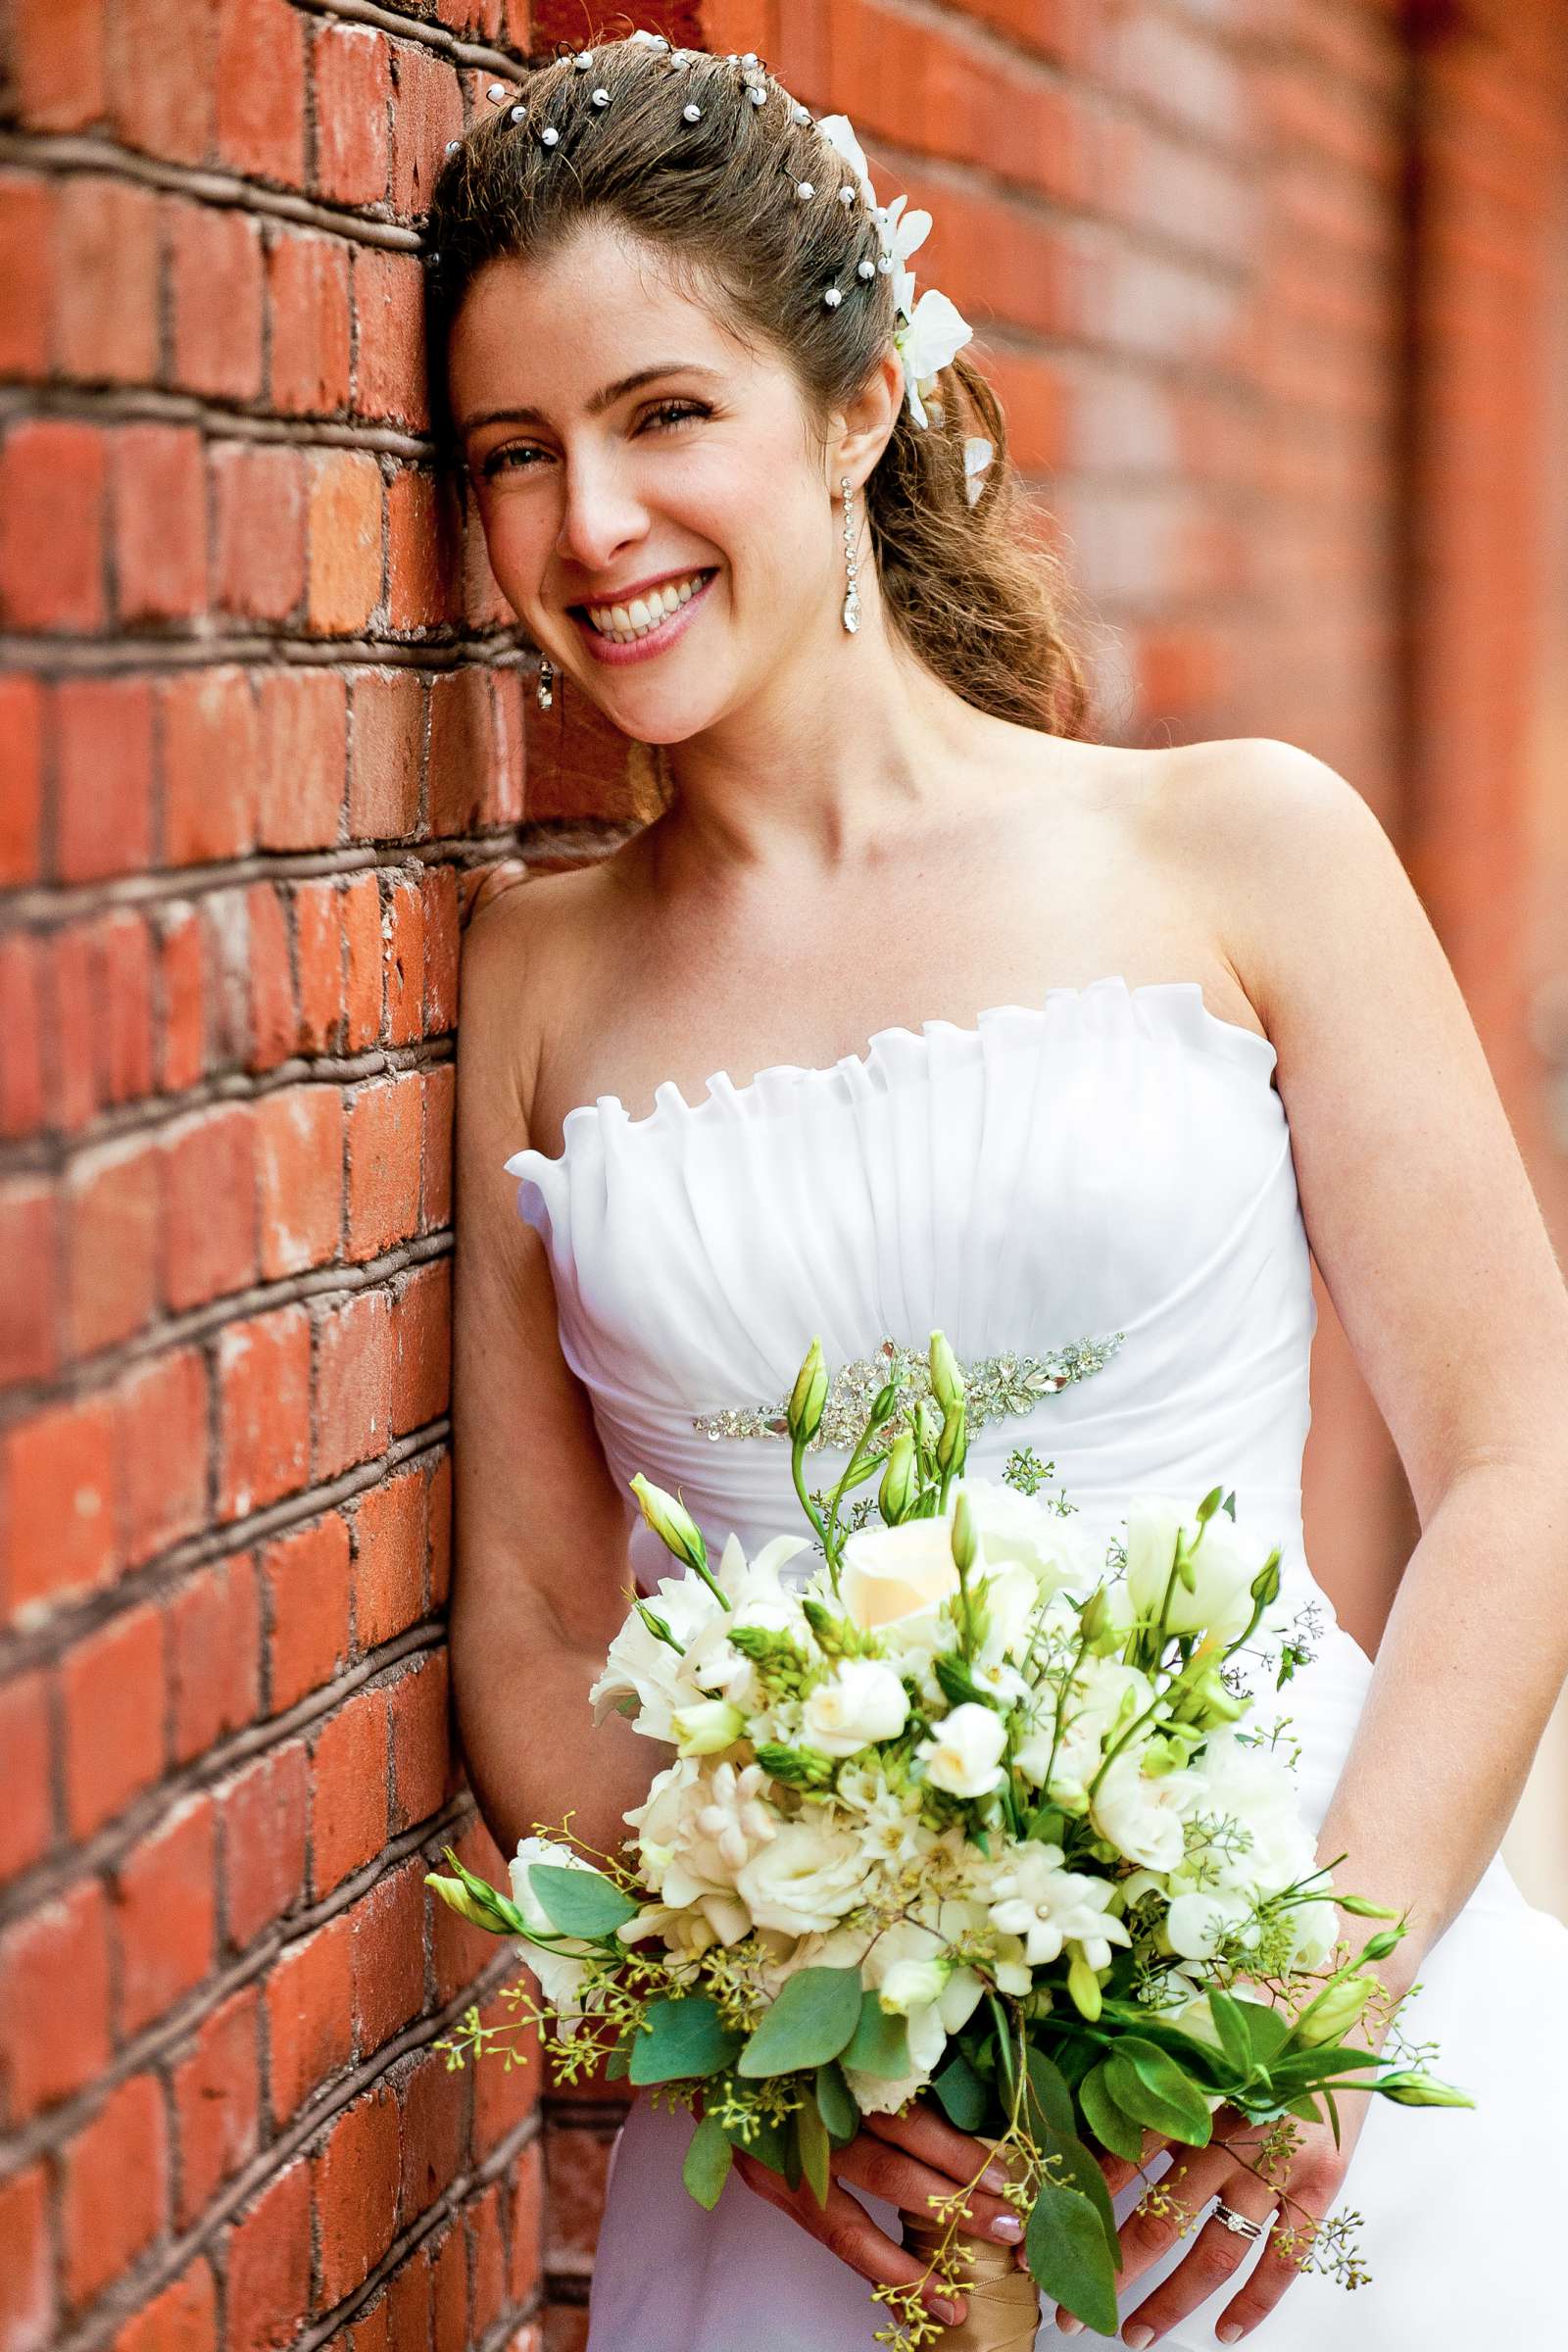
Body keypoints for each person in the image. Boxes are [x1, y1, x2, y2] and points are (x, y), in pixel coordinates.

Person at [428, 31, 1568, 2352]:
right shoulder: (531, 980)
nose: (588, 531)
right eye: (509, 460)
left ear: (851, 409)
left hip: (1284, 2060)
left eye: (663, 417)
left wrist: (1310, 1998)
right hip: (838, 2161)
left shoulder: (1234, 846)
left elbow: (1516, 1452)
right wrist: (767, 2010)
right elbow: (538, 1634)